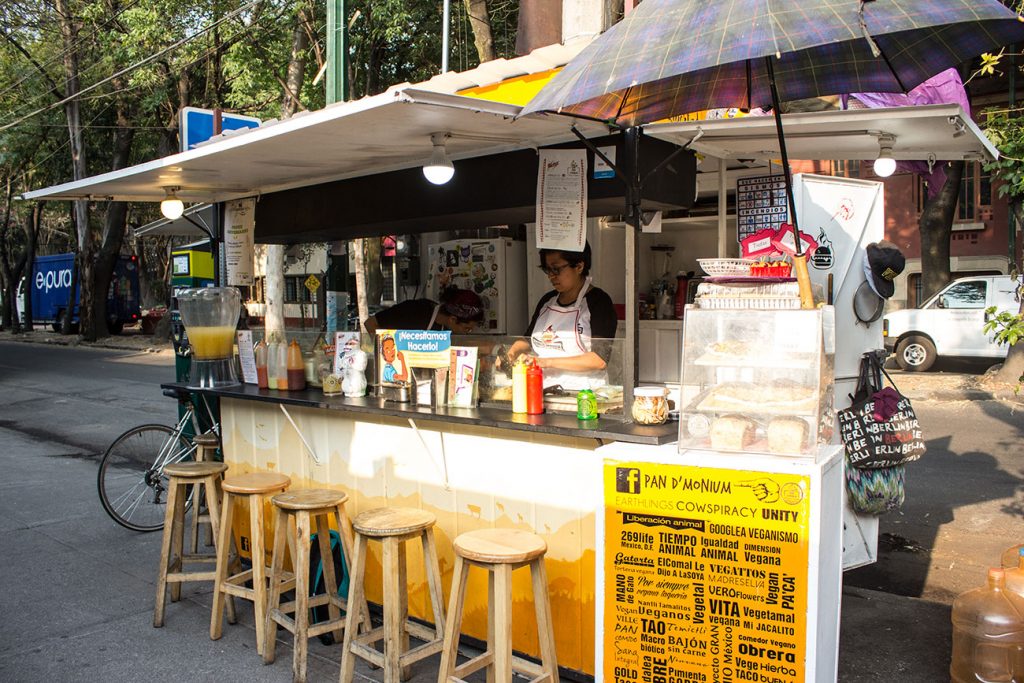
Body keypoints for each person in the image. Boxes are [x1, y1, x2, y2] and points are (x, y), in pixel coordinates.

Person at [509, 241, 617, 390]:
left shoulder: (599, 302)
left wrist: (545, 362)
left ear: (579, 266)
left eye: (556, 269)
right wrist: (513, 351)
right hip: (542, 390)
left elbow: (599, 360)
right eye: (547, 270)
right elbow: (528, 340)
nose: (551, 276)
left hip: (584, 394)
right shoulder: (547, 300)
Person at [362, 285, 485, 334]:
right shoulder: (414, 311)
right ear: (453, 319)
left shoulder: (448, 330)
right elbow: (370, 324)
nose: (468, 333)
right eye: (467, 329)